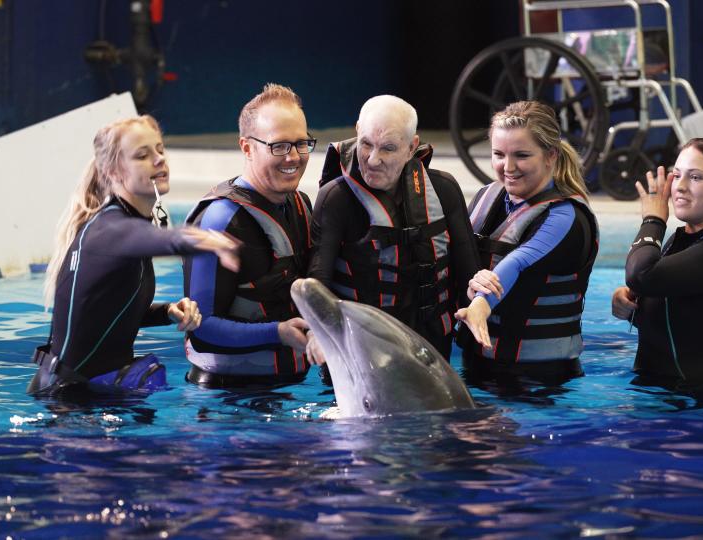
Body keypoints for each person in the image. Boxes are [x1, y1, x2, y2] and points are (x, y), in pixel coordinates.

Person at [28, 115, 240, 398]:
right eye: (142, 155)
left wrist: (167, 312)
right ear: (114, 171)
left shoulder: (124, 224)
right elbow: (156, 238)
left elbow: (108, 314)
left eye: (160, 150)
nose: (159, 160)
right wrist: (200, 238)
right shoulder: (108, 228)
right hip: (69, 404)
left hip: (90, 396)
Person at [308, 95, 480, 360]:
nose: (373, 159)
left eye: (388, 148)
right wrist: (317, 332)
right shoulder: (336, 199)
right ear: (356, 131)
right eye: (366, 144)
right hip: (361, 354)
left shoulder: (444, 190)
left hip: (431, 353)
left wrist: (477, 307)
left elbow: (470, 274)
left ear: (412, 147)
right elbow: (318, 281)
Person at [455, 101, 599, 381]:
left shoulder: (566, 216)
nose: (508, 167)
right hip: (477, 366)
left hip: (539, 381)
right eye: (498, 154)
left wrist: (480, 305)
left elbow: (518, 263)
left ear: (550, 155)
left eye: (521, 155)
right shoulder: (487, 196)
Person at [182, 83, 314, 387]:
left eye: (301, 143)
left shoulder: (300, 204)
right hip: (225, 400)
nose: (293, 157)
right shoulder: (221, 220)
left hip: (288, 388)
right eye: (279, 146)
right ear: (246, 147)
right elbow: (201, 327)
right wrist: (277, 333)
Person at [610, 136, 703, 386]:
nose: (680, 186)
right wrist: (629, 306)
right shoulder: (686, 239)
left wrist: (653, 220)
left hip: (699, 404)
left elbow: (640, 274)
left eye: (696, 177)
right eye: (676, 175)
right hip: (664, 396)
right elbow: (681, 324)